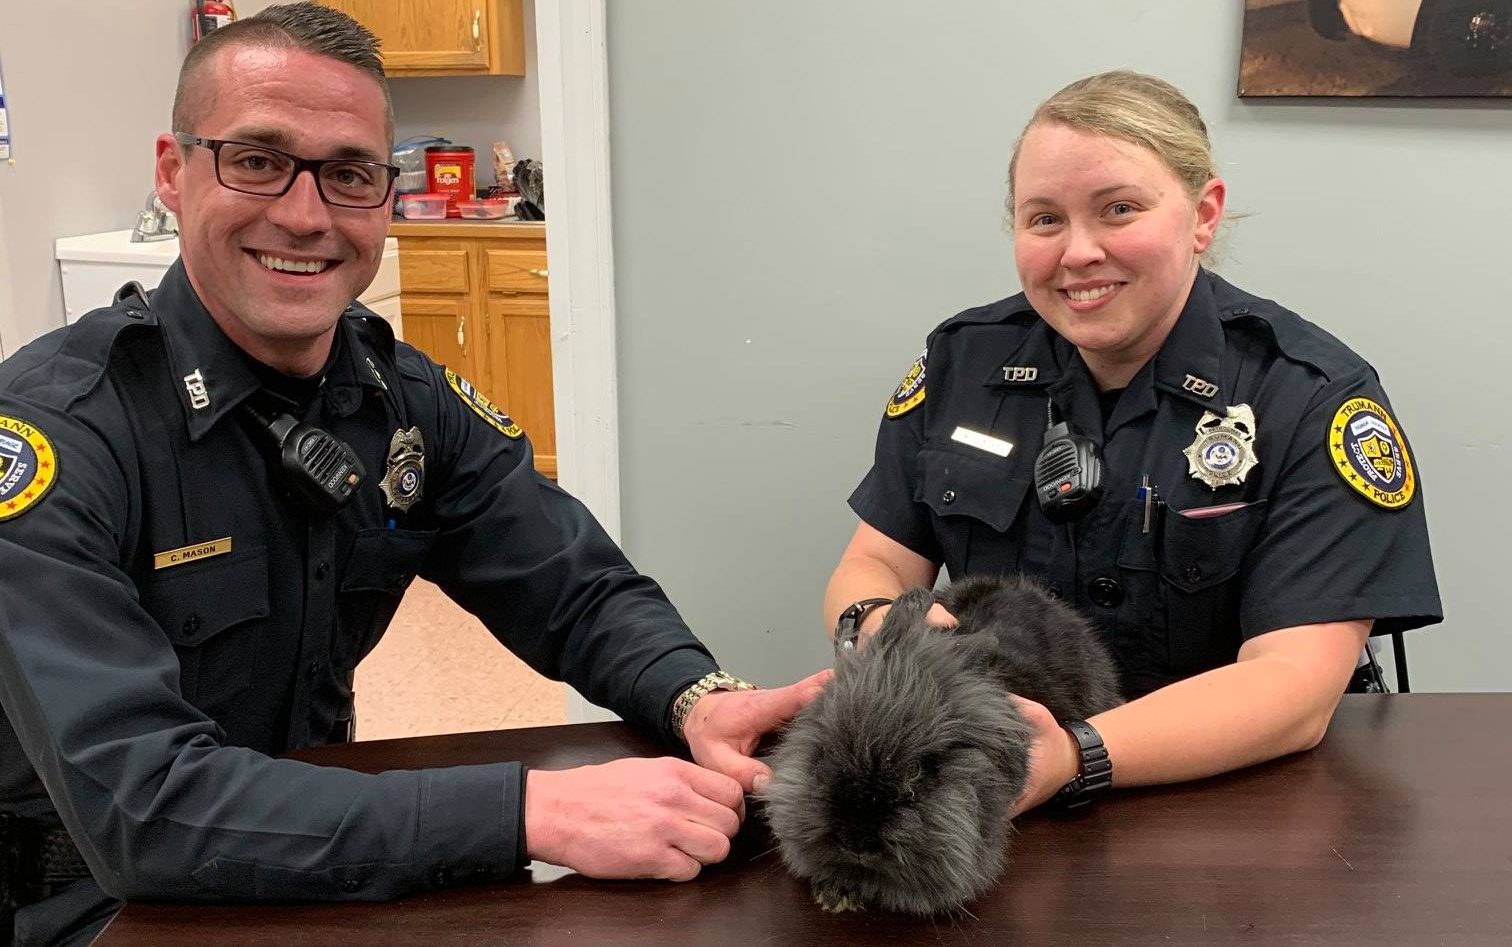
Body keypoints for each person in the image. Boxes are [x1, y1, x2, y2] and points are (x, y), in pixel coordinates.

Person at [0, 5, 824, 945]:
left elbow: (572, 586)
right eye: (257, 161)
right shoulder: (57, 435)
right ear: (172, 172)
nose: (305, 215)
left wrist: (696, 695)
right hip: (91, 906)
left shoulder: (396, 399)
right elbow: (142, 807)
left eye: (350, 174)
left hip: (320, 856)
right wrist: (531, 811)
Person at [824, 71, 1441, 817]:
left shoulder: (1310, 396)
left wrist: (1072, 755)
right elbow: (878, 562)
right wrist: (878, 623)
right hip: (993, 791)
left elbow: (1294, 684)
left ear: (1203, 215)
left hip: (1235, 804)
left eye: (1119, 209)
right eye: (1044, 219)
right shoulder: (964, 361)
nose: (1078, 252)